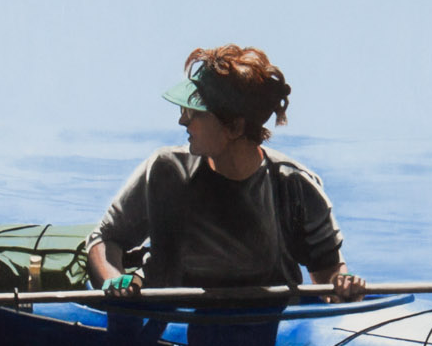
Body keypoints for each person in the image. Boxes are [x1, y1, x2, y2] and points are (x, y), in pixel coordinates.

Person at [87, 45, 366, 303]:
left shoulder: (294, 184)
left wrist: (341, 283)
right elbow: (104, 238)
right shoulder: (165, 169)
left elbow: (327, 274)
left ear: (233, 127)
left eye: (195, 111)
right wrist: (113, 280)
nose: (182, 119)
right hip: (167, 322)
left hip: (266, 327)